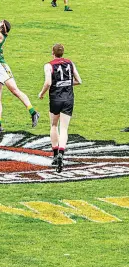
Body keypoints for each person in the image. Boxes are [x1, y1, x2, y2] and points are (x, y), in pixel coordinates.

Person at [0, 0, 40, 136]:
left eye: (0, 23)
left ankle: (33, 112)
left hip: (1, 67)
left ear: (2, 28)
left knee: (15, 91)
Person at [38, 44, 82, 173]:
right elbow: (79, 81)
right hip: (68, 99)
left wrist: (42, 93)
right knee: (64, 128)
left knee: (53, 125)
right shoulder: (70, 63)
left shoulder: (49, 65)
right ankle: (62, 154)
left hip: (55, 98)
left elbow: (48, 83)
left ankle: (55, 154)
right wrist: (67, 83)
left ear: (53, 52)